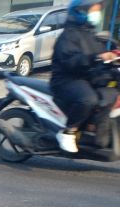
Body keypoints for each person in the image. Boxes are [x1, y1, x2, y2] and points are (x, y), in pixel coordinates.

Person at [51, 0, 118, 152]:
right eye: (94, 10)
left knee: (108, 92)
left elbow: (99, 57)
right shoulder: (68, 35)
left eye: (98, 10)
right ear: (81, 12)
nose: (97, 14)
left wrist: (112, 58)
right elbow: (70, 61)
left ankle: (92, 127)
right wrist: (96, 57)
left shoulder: (90, 34)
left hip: (84, 77)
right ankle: (69, 132)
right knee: (88, 99)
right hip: (66, 80)